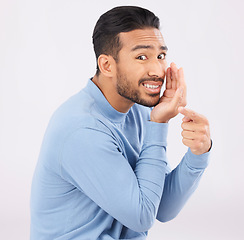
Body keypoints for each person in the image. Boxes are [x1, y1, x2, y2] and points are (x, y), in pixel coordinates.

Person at [30, 6, 212, 240]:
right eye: (141, 57)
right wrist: (159, 125)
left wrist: (198, 154)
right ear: (107, 65)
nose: (157, 70)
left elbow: (163, 207)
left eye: (161, 56)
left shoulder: (135, 109)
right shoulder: (82, 130)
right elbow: (143, 217)